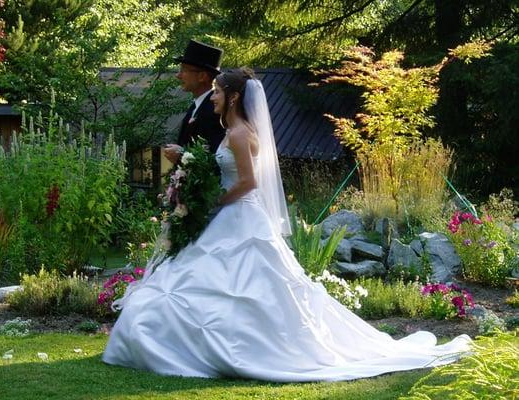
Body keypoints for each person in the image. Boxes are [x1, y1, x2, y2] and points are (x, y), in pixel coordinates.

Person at [103, 68, 471, 382]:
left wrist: (215, 203)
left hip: (241, 215)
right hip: (233, 215)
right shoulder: (234, 132)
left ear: (232, 97)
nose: (212, 98)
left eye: (216, 93)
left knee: (240, 281)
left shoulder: (240, 134)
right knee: (211, 281)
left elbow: (248, 183)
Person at [164, 39, 226, 164]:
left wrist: (182, 156)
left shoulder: (215, 111)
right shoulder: (196, 106)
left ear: (202, 76)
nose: (178, 75)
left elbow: (216, 160)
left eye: (184, 70)